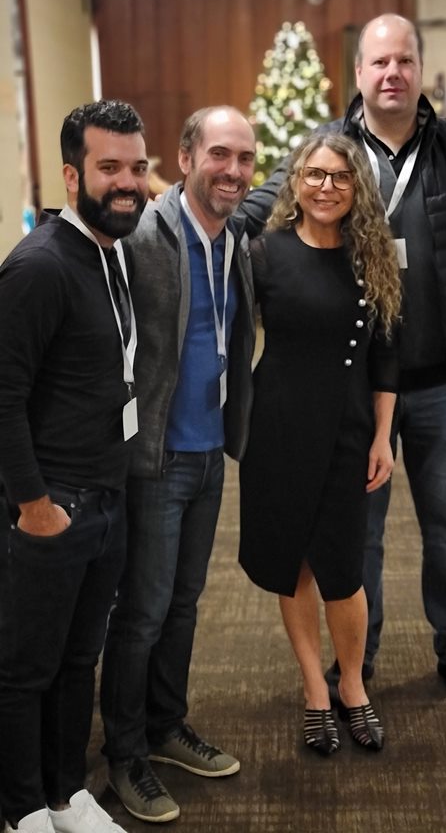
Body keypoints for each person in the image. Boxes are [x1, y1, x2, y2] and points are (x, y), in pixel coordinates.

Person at [100, 106, 285, 823]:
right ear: (184, 158)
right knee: (142, 610)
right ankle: (124, 755)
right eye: (219, 155)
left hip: (211, 455)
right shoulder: (144, 236)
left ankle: (164, 724)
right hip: (157, 459)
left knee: (183, 603)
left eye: (244, 158)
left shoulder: (235, 237)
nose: (233, 171)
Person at [322, 14, 446, 703]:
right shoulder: (331, 149)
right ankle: (357, 657)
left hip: (438, 378)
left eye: (404, 60)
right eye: (379, 62)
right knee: (360, 530)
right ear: (359, 73)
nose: (392, 72)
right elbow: (276, 219)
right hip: (358, 384)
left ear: (419, 68)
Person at [0, 99, 150, 833]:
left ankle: (65, 795)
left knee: (76, 659)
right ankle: (22, 808)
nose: (127, 183)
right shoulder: (39, 267)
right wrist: (34, 506)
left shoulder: (111, 249)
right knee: (25, 669)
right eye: (108, 167)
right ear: (71, 175)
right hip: (52, 505)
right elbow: (3, 396)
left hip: (105, 500)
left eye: (137, 168)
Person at [239, 132, 401, 754]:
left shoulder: (373, 256)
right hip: (279, 432)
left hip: (348, 433)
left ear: (357, 187)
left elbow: (386, 359)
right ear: (295, 182)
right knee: (294, 565)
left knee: (345, 571)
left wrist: (383, 436)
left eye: (340, 177)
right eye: (314, 174)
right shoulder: (264, 253)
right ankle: (314, 690)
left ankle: (351, 685)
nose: (326, 187)